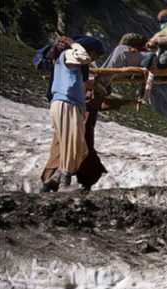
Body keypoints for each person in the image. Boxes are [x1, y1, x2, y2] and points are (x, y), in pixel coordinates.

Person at [42, 36, 106, 192]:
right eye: (95, 54)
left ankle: (55, 178)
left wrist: (102, 89)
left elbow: (85, 82)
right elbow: (83, 57)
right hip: (66, 103)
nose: (94, 58)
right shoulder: (68, 54)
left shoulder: (74, 64)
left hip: (72, 105)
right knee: (72, 144)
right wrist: (73, 44)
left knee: (81, 149)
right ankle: (64, 183)